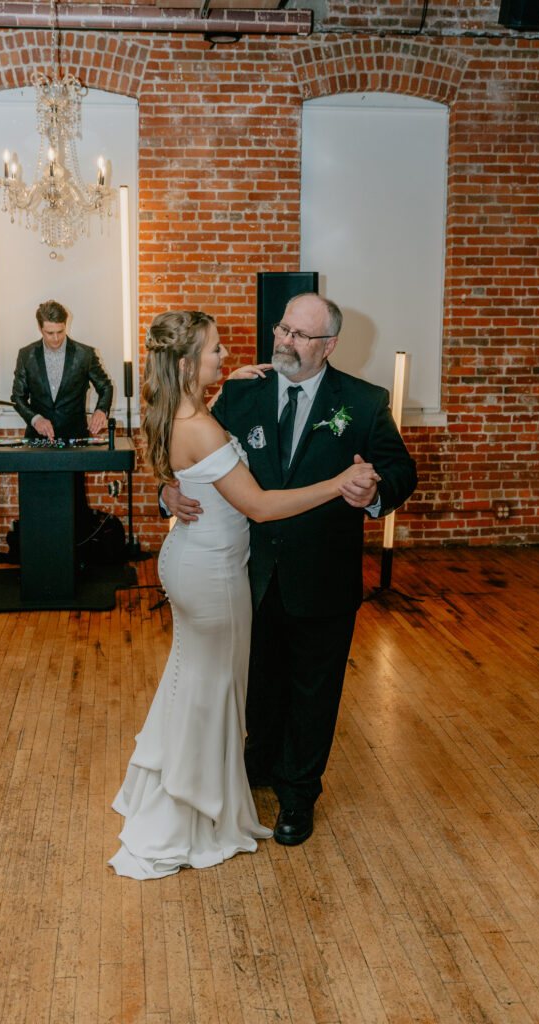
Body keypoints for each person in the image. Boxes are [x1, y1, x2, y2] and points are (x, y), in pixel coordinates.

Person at [108, 310, 377, 880]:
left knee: (199, 680)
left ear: (327, 345)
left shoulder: (195, 404)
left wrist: (170, 480)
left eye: (296, 333)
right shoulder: (209, 417)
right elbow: (254, 503)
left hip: (216, 561)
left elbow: (179, 456)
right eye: (214, 351)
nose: (227, 356)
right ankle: (195, 805)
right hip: (215, 569)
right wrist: (337, 485)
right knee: (214, 686)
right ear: (186, 363)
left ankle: (206, 787)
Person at [162, 292, 417, 846]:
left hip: (323, 574)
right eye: (283, 329)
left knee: (314, 690)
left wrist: (375, 490)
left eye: (301, 336)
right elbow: (194, 460)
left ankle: (299, 793)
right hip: (246, 572)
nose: (285, 341)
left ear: (328, 346)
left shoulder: (365, 401)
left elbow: (400, 469)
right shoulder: (241, 392)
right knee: (259, 683)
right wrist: (168, 492)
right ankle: (255, 771)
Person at [11, 299, 113, 442]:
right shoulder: (26, 355)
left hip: (76, 438)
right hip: (37, 440)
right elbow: (17, 397)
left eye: (60, 331)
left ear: (65, 325)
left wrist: (101, 410)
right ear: (40, 329)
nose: (56, 338)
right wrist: (36, 419)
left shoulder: (85, 354)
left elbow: (106, 387)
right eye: (50, 333)